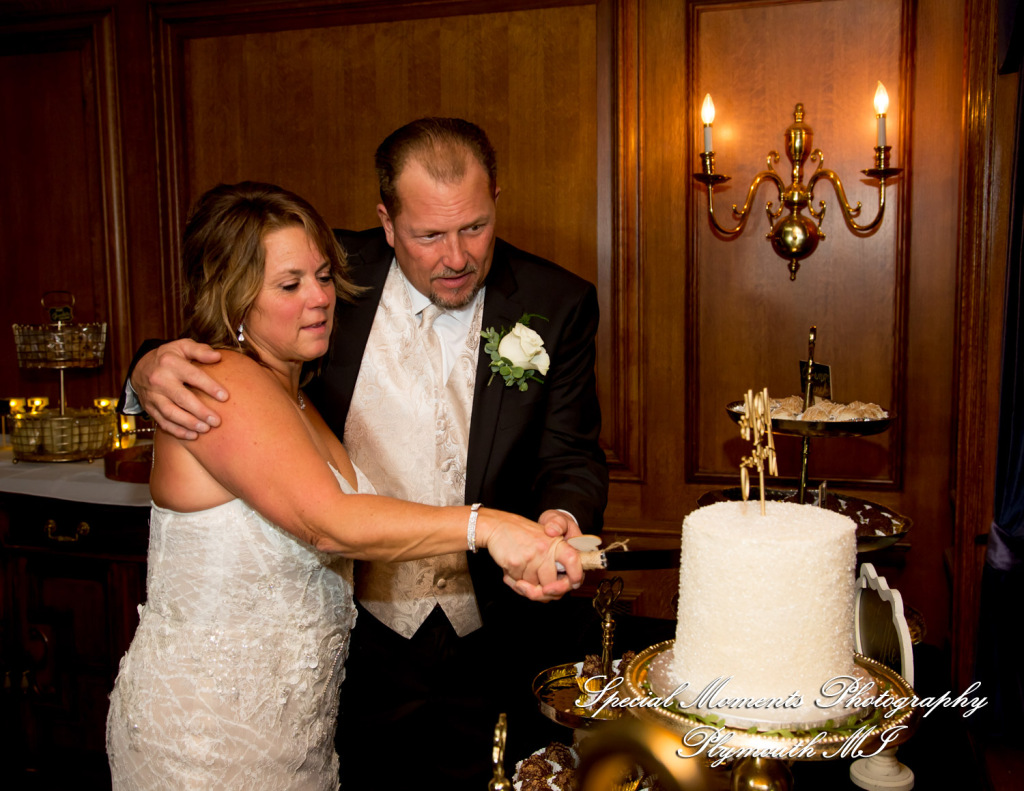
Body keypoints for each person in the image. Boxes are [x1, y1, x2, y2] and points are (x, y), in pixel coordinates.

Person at [124, 118, 608, 787]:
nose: (457, 256)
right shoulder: (327, 279)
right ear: (386, 221)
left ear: (496, 197)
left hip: (486, 637)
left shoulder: (558, 301)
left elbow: (571, 452)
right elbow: (216, 336)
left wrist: (560, 516)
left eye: (474, 226)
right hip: (355, 658)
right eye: (429, 235)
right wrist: (145, 367)